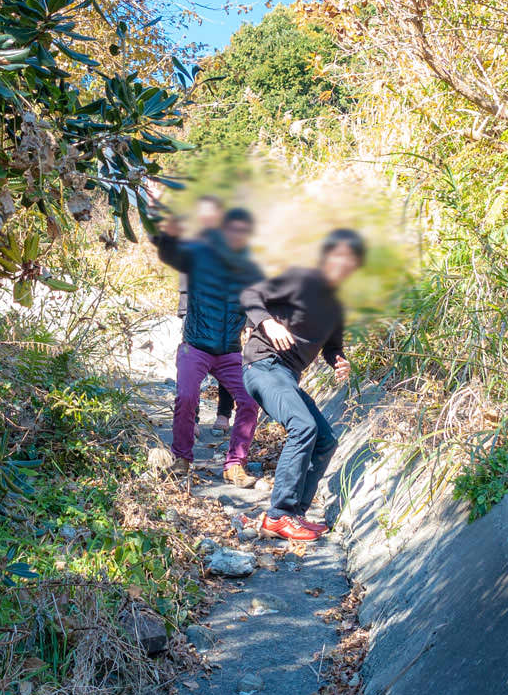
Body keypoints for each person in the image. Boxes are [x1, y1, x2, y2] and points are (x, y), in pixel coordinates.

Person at [239, 229, 366, 541]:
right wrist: (267, 322)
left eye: (351, 261)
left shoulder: (337, 307)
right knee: (303, 426)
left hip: (286, 377)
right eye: (338, 255)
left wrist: (339, 360)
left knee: (326, 441)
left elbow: (332, 347)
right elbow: (249, 295)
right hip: (263, 365)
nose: (343, 264)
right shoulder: (301, 279)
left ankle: (295, 513)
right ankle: (277, 515)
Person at [153, 206, 264, 486]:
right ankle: (182, 458)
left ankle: (234, 465)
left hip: (229, 351)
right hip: (196, 346)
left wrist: (254, 321)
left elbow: (256, 301)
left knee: (250, 401)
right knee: (187, 397)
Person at [175, 195, 236, 434]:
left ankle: (223, 414)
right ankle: (193, 419)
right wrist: (183, 310)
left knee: (227, 357)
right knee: (192, 364)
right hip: (197, 311)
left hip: (228, 312)